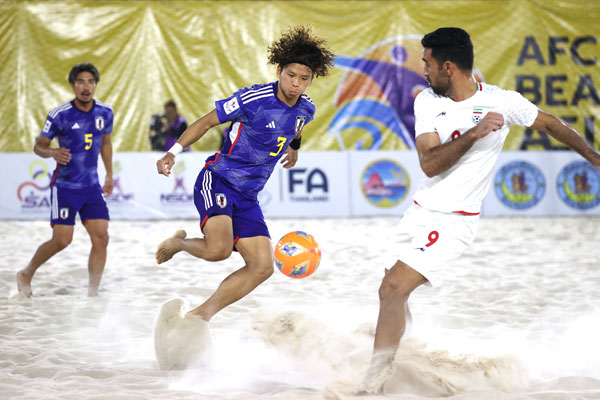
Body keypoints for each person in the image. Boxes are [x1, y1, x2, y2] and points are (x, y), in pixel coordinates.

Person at [367, 27, 600, 384]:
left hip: (454, 221)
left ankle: (374, 381)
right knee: (391, 291)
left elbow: (552, 125)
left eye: (427, 63)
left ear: (448, 67)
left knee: (394, 288)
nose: (422, 70)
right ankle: (401, 356)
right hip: (419, 211)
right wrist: (474, 134)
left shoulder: (502, 102)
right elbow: (429, 164)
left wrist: (593, 156)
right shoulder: (427, 101)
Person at [153, 26, 334, 333]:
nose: (296, 83)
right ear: (279, 71)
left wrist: (294, 147)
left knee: (262, 267)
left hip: (248, 197)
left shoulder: (307, 108)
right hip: (218, 180)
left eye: (304, 78)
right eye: (291, 75)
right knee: (218, 251)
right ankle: (179, 242)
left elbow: (297, 127)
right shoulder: (254, 99)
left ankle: (199, 316)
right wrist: (173, 152)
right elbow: (207, 122)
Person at [17, 62, 114, 298]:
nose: (86, 87)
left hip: (91, 187)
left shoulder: (105, 112)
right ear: (72, 86)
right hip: (65, 187)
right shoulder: (60, 115)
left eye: (90, 82)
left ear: (96, 85)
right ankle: (26, 273)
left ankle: (93, 292)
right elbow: (39, 146)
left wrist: (110, 174)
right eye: (80, 82)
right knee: (62, 240)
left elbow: (106, 143)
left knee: (101, 238)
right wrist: (52, 152)